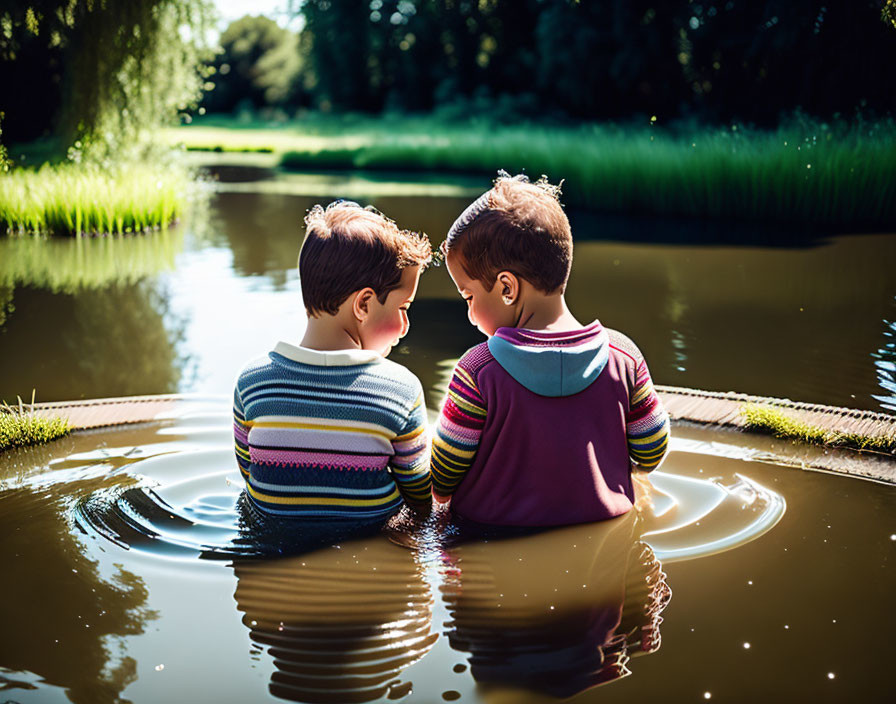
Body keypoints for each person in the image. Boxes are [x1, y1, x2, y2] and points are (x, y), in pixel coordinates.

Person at [431, 173, 670, 527]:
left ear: (507, 288)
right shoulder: (624, 355)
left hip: (493, 541)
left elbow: (443, 476)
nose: (468, 314)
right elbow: (652, 451)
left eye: (469, 297)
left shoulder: (478, 371)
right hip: (604, 534)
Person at [233, 200, 433, 526]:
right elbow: (420, 496)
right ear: (364, 304)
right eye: (403, 308)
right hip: (370, 550)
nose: (406, 325)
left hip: (270, 545)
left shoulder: (252, 383)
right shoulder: (401, 390)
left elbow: (250, 473)